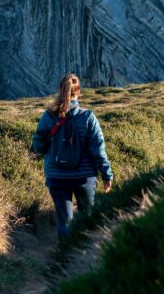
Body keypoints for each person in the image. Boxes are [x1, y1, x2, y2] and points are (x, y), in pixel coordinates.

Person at [31, 73, 114, 237]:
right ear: (79, 92)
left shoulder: (48, 116)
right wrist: (107, 175)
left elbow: (38, 146)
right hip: (84, 177)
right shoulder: (88, 117)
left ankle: (64, 258)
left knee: (65, 222)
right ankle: (84, 259)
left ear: (60, 91)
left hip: (57, 176)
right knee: (88, 219)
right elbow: (98, 150)